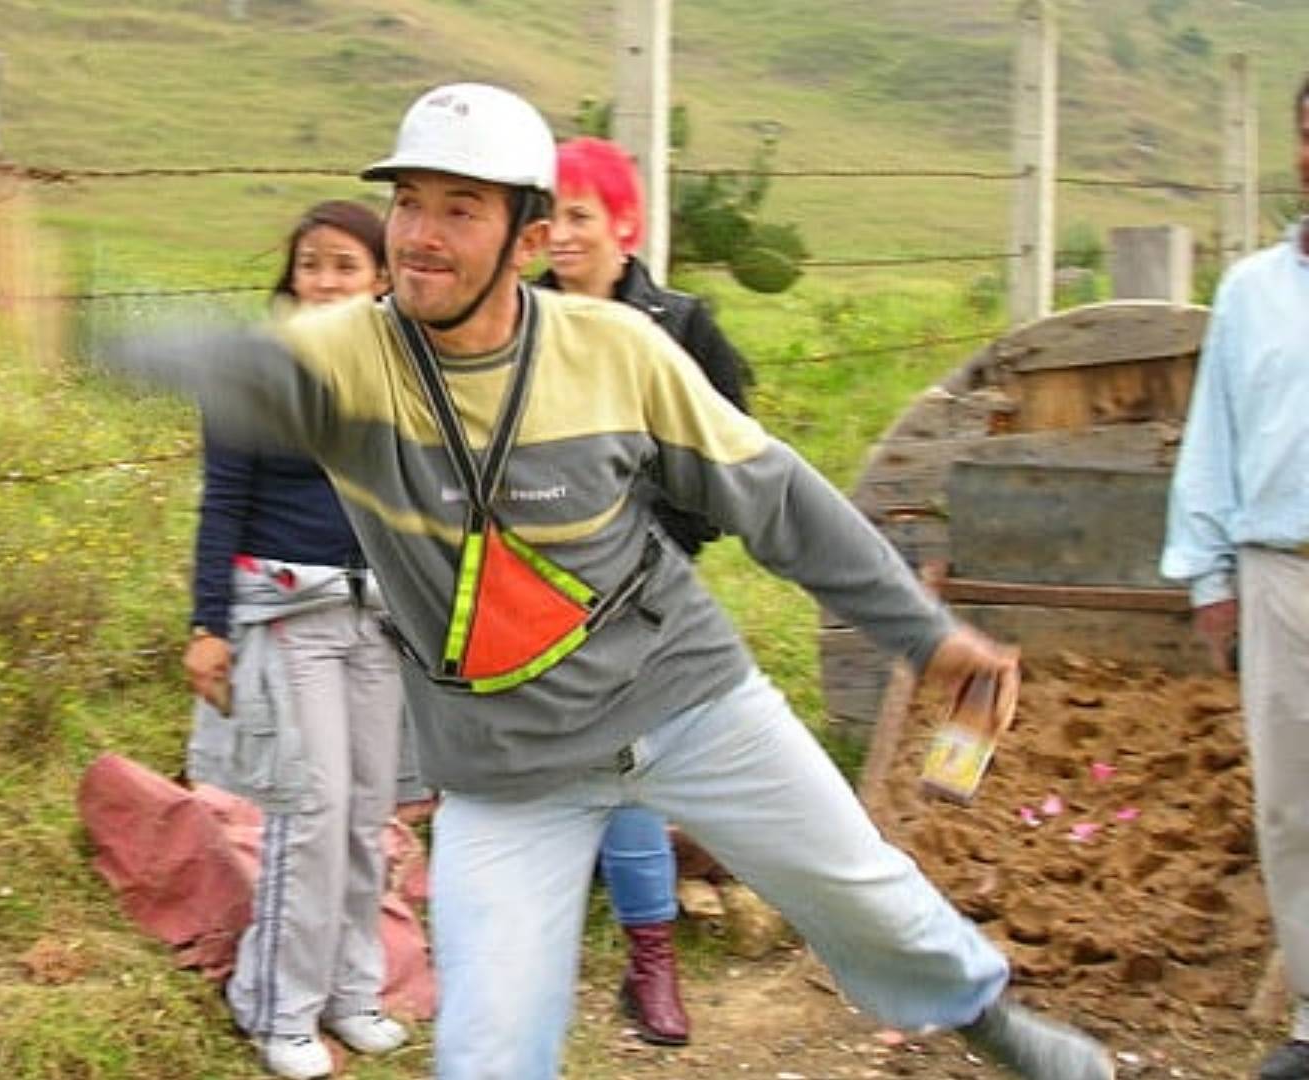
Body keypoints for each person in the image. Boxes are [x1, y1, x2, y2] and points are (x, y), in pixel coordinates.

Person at [115, 82, 1112, 1080]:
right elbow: (217, 360)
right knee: (487, 1054)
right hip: (506, 777)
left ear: (528, 238)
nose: (418, 235)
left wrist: (925, 634)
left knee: (867, 895)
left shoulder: (614, 352)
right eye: (407, 201)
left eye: (459, 210)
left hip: (690, 704)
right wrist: (80, 321)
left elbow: (776, 500)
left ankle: (993, 1024)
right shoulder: (348, 358)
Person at [528, 134, 761, 1047]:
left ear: (626, 225)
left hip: (637, 593)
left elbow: (730, 456)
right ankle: (522, 967)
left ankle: (649, 967)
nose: (563, 234)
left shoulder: (683, 327)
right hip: (522, 590)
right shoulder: (508, 319)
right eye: (551, 216)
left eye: (582, 215)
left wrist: (657, 546)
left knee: (628, 769)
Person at [181, 199, 411, 1079]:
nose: (323, 281)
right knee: (308, 812)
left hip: (379, 618)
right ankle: (275, 1007)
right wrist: (209, 626)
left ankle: (352, 993)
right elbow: (221, 504)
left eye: (345, 267)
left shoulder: (402, 377)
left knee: (365, 812)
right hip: (288, 614)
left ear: (383, 279)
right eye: (311, 265)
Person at [1160, 75, 1309, 1080]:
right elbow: (1211, 439)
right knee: (1294, 804)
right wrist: (1207, 573)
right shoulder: (1252, 291)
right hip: (1280, 573)